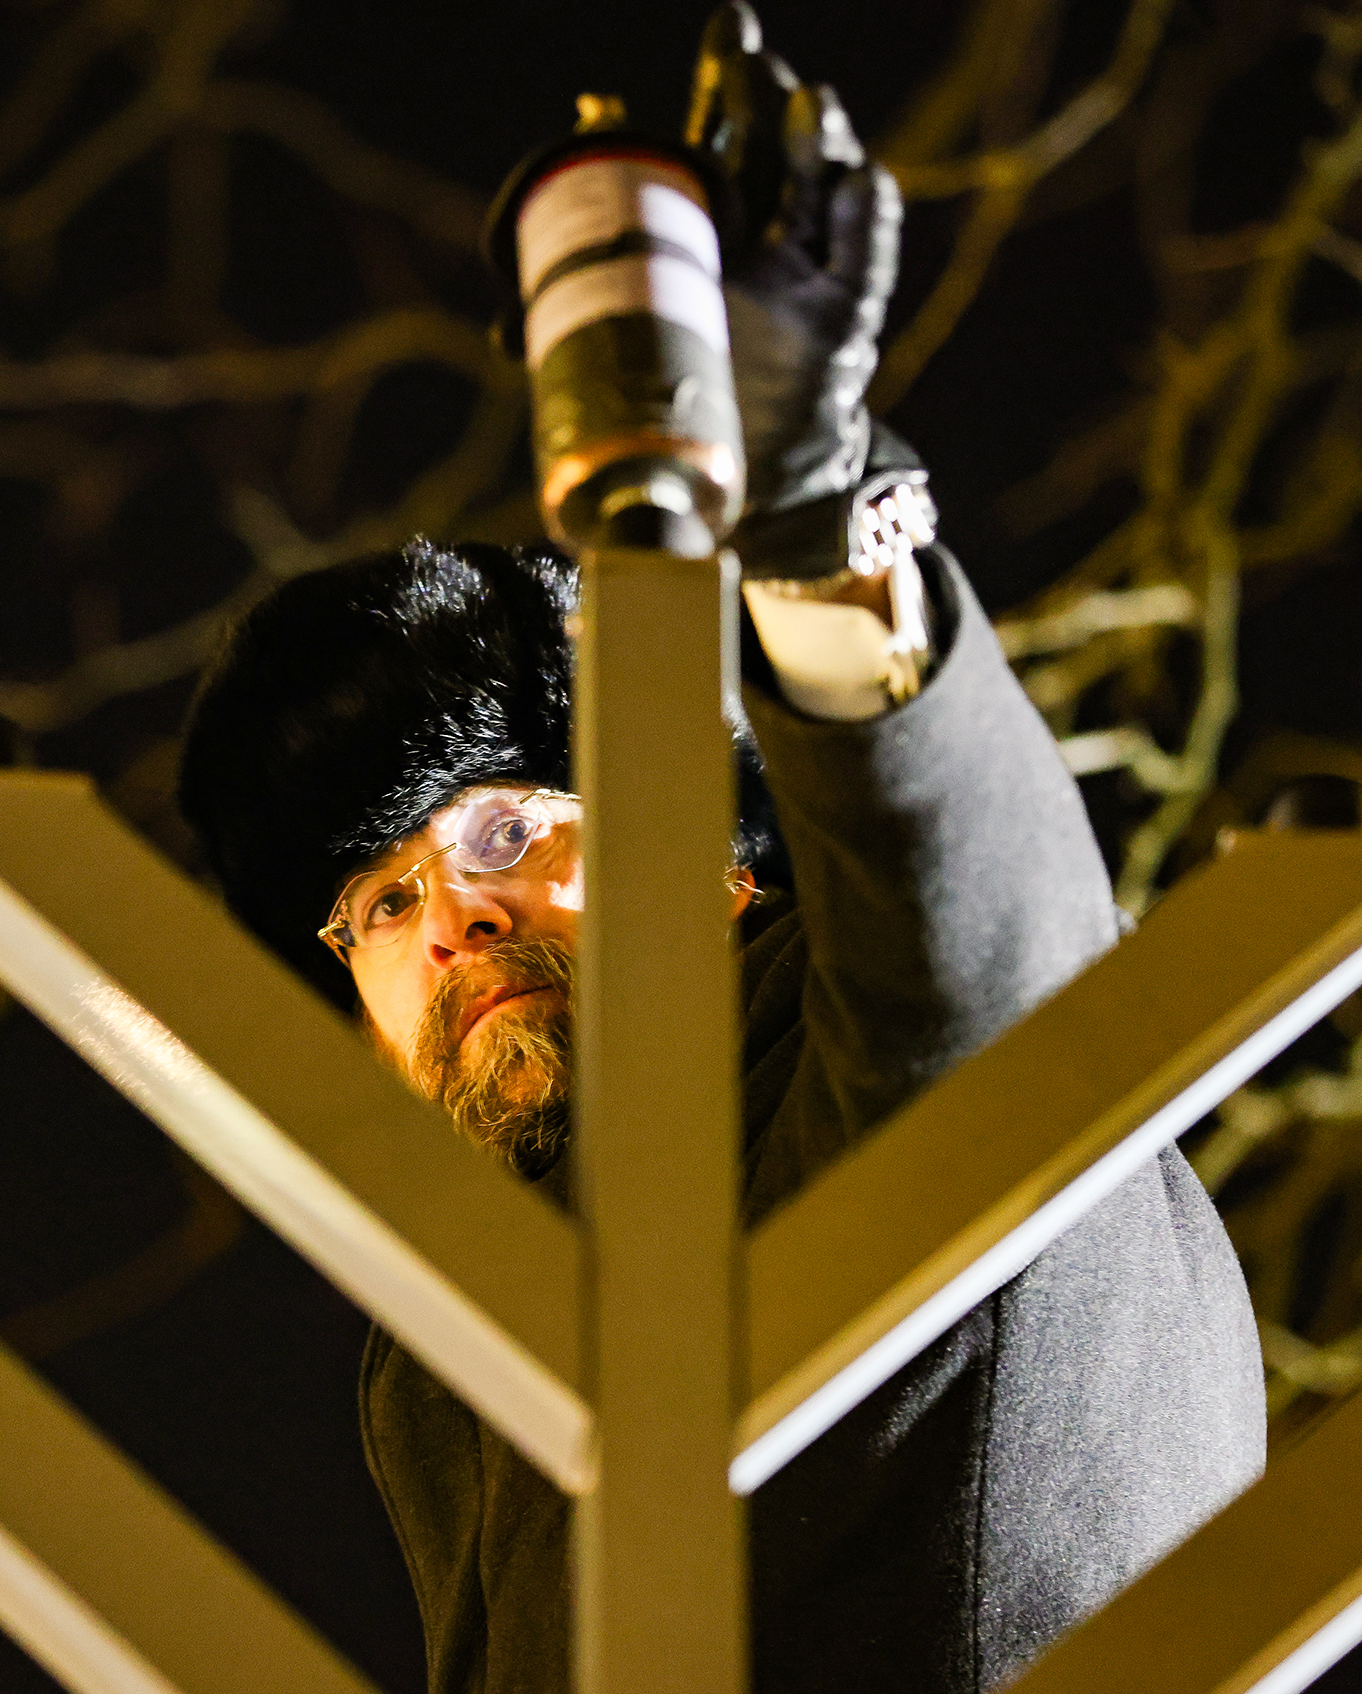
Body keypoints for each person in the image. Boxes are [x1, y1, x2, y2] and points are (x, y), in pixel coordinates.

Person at [176, 10, 1263, 1690]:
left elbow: (992, 959)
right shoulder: (459, 1354)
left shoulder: (842, 1045)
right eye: (378, 903)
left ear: (720, 864)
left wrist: (819, 514)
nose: (450, 915)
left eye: (506, 828)